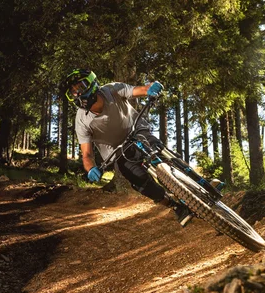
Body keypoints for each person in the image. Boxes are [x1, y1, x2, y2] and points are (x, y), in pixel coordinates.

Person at [63, 68, 194, 226]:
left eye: (81, 87)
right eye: (73, 91)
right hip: (118, 153)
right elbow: (87, 155)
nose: (77, 93)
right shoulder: (81, 121)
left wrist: (152, 88)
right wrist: (91, 169)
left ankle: (197, 181)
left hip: (137, 131)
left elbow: (140, 90)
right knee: (140, 183)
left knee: (158, 150)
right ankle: (176, 207)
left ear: (92, 83)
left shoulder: (112, 90)